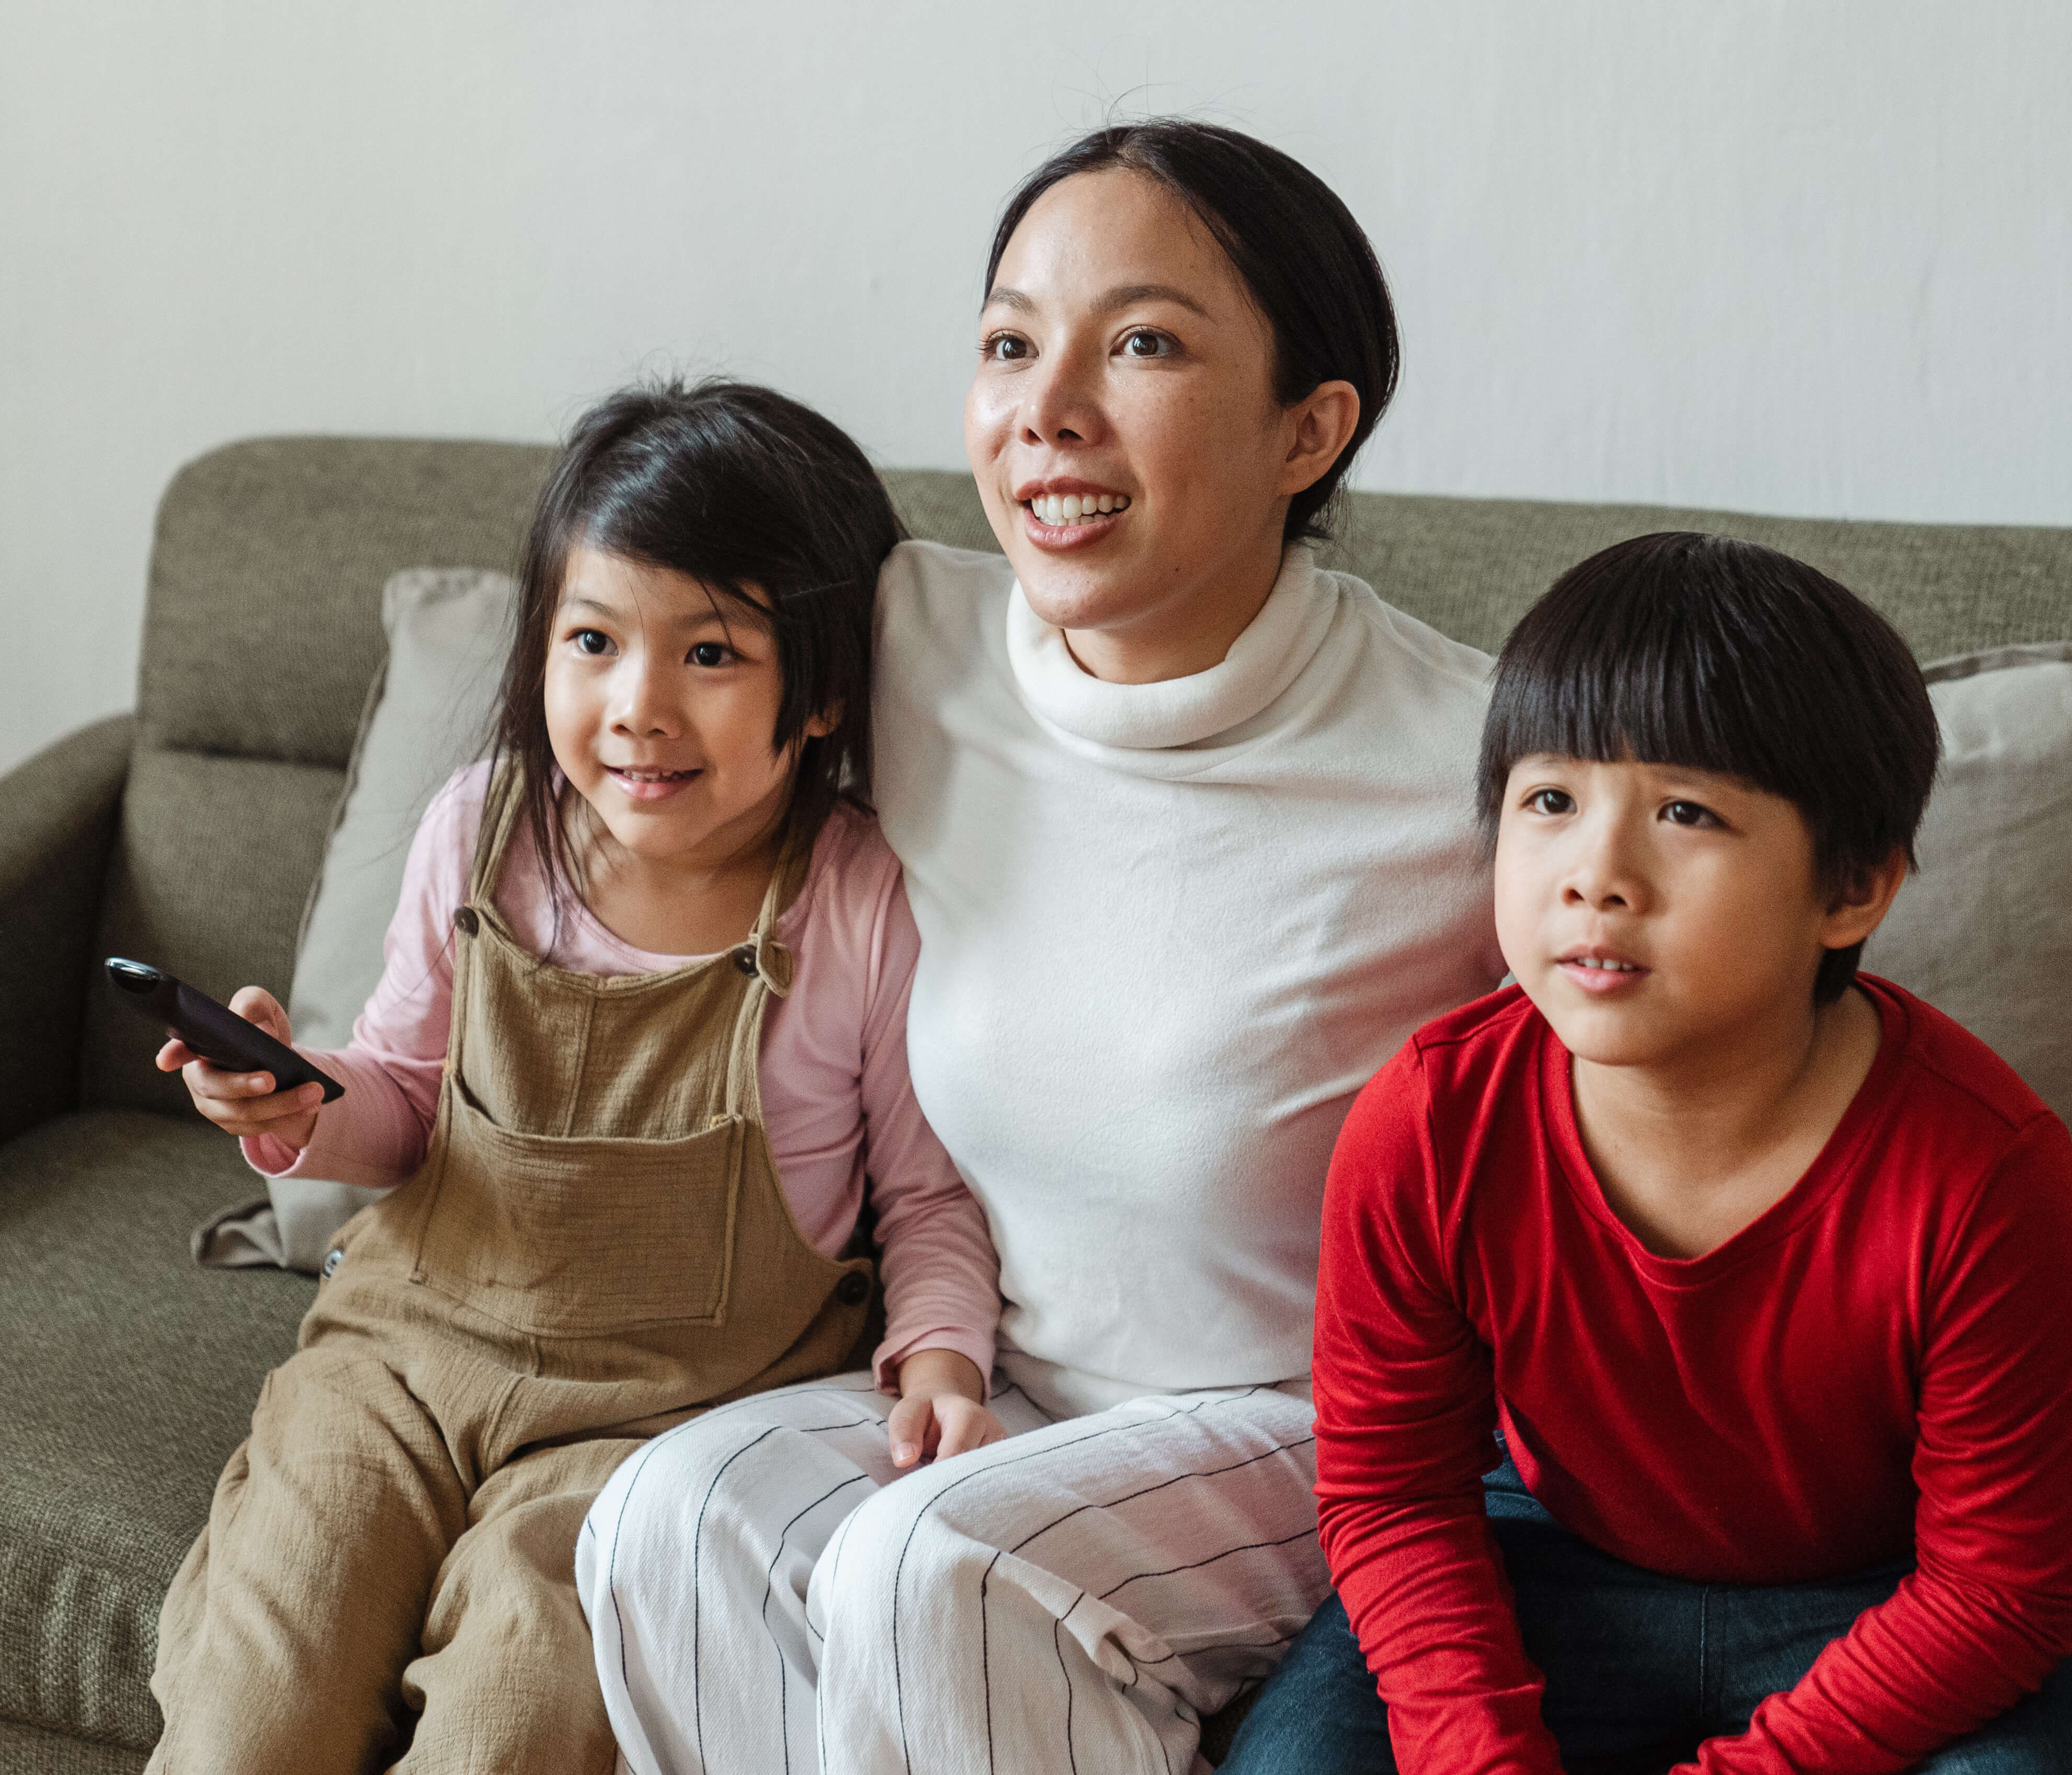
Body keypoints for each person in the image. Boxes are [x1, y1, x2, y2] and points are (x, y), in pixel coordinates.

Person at [579, 121, 1507, 1773]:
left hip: (1308, 1424)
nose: (1045, 409)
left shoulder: (1478, 762)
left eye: (1140, 343)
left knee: (941, 1563)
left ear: (1312, 427)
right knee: (670, 1511)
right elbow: (624, 700)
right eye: (1010, 341)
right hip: (1000, 1377)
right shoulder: (908, 639)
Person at [144, 379, 1005, 1774]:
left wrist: (948, 1359)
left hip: (660, 1420)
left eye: (711, 653)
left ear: (825, 686)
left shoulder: (855, 900)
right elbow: (404, 1102)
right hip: (402, 1368)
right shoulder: (480, 830)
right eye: (592, 640)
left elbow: (923, 1193)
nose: (636, 706)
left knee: (525, 1717)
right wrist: (300, 1100)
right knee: (255, 1702)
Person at [1221, 532, 2072, 1774]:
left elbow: (1999, 1589)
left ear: (1851, 888)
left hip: (1887, 1603)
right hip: (1553, 1566)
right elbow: (1395, 1496)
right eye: (1550, 802)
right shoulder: (1429, 1123)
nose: (1595, 877)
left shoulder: (1986, 1176)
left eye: (1683, 812)